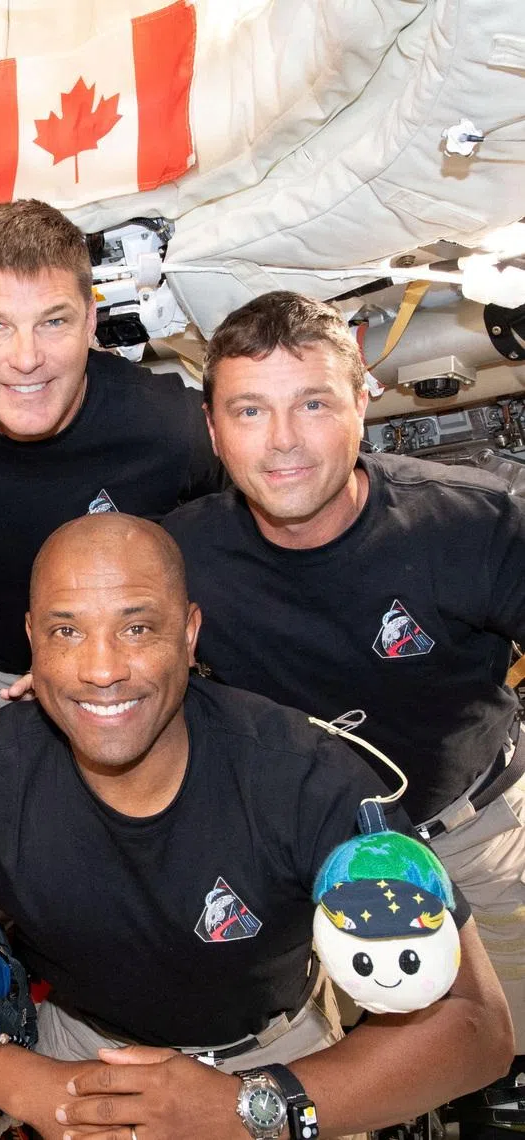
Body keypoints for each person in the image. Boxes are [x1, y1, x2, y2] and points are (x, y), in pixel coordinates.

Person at [0, 514, 512, 1140]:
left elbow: (476, 1024)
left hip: (280, 1060)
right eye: (66, 631)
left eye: (137, 629)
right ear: (32, 640)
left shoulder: (309, 780)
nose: (102, 669)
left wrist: (247, 1106)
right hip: (80, 1059)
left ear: (190, 634)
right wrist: (23, 1082)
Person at [162, 291, 525, 1058]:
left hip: (472, 838)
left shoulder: (473, 522)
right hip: (291, 862)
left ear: (365, 403)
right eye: (250, 411)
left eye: (315, 403)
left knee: (507, 1038)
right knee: (332, 1072)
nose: (284, 442)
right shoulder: (174, 558)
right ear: (214, 431)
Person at [0, 199, 221, 753]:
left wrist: (178, 652)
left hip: (123, 683)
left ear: (90, 323)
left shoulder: (169, 427)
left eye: (53, 321)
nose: (26, 358)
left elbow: (261, 536)